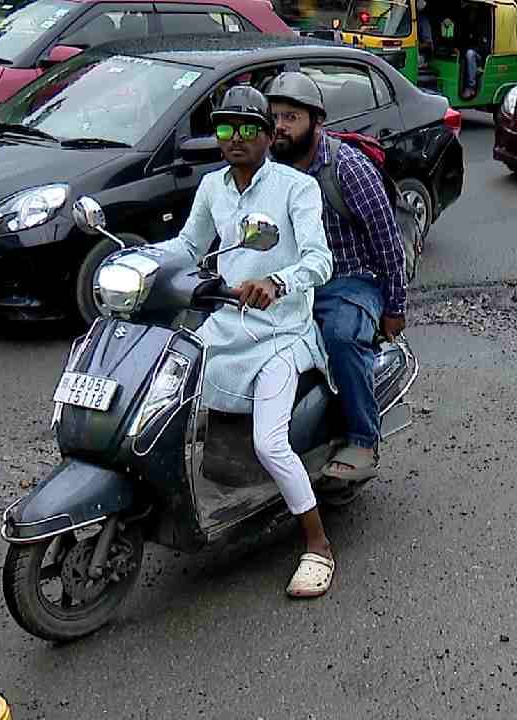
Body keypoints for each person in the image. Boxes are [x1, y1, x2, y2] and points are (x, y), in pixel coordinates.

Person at [151, 86, 338, 599]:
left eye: (247, 128)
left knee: (268, 442)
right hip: (226, 323)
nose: (235, 139)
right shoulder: (213, 186)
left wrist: (277, 283)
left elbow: (321, 260)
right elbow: (189, 246)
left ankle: (317, 544)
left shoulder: (296, 188)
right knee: (165, 399)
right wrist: (135, 258)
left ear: (268, 134)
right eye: (225, 129)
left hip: (279, 332)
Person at [264, 72, 407, 486]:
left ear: (316, 121)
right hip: (295, 280)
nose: (280, 127)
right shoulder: (270, 169)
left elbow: (387, 242)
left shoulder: (347, 168)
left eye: (291, 117)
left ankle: (363, 438)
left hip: (351, 279)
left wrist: (395, 307)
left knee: (342, 337)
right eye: (274, 117)